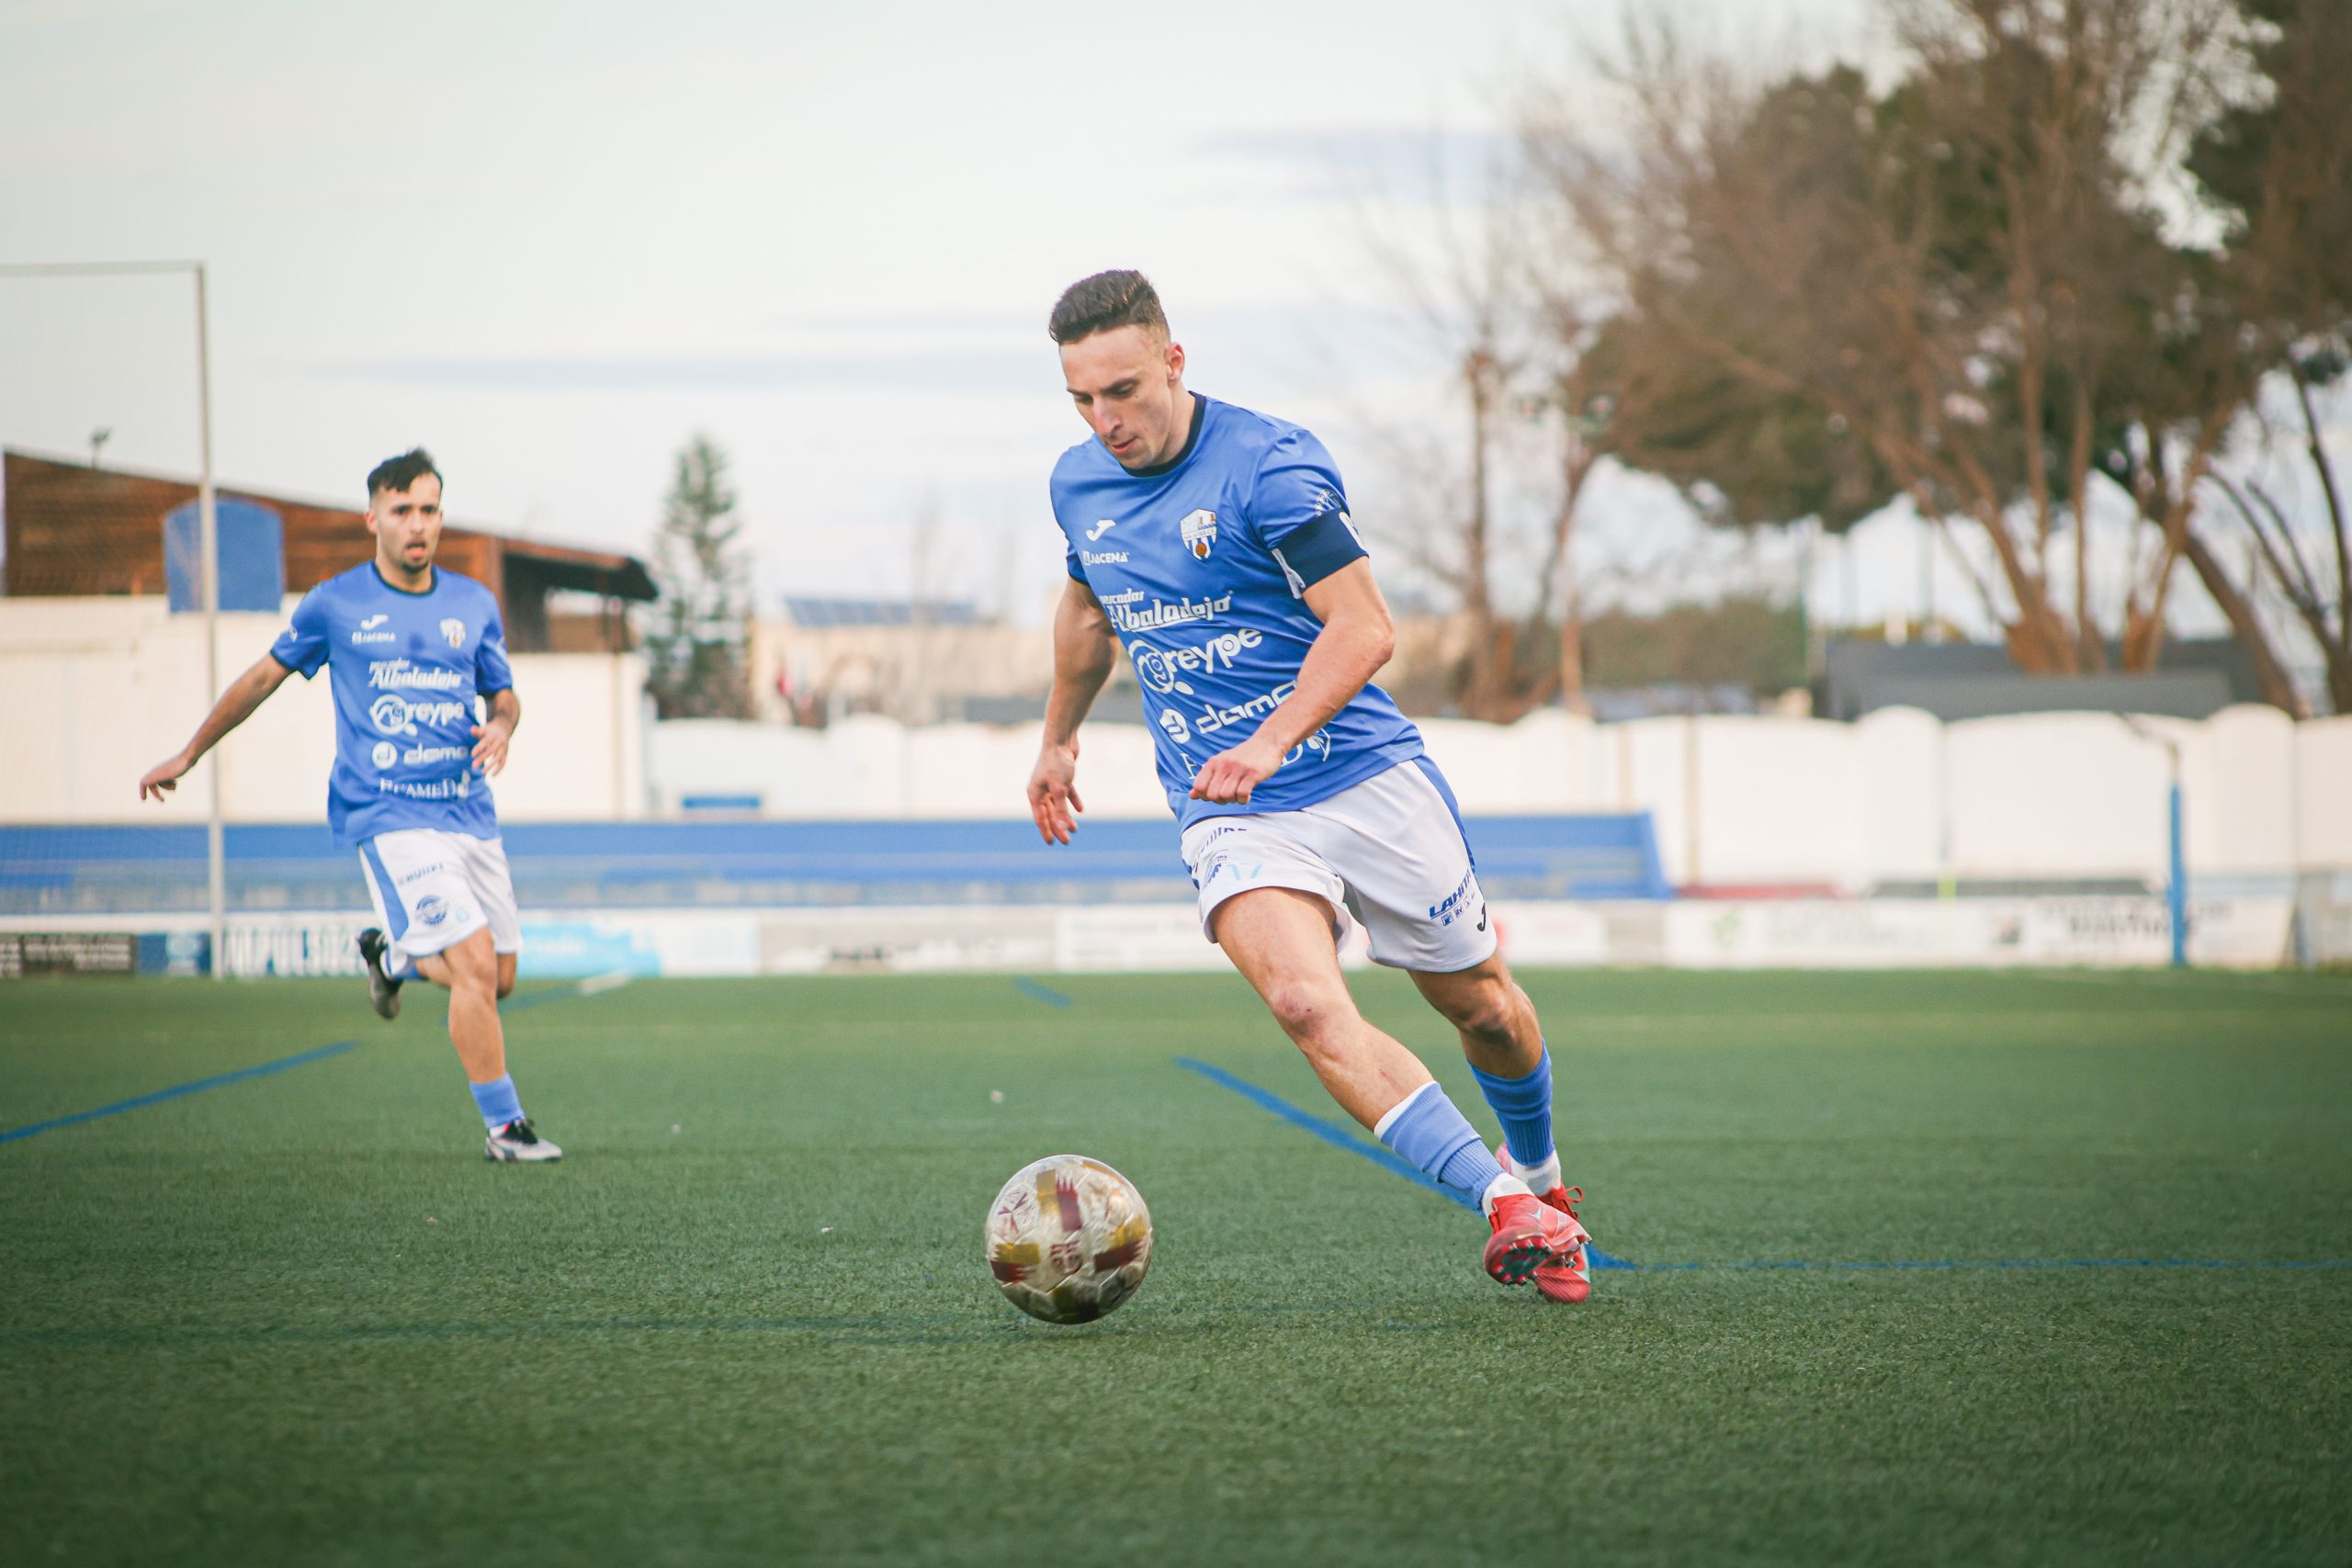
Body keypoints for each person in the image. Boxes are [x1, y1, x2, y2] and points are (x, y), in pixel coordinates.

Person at [1027, 271, 1589, 1301]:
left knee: (1484, 1010)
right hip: (1228, 805)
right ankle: (1508, 1206)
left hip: (1363, 775)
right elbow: (1086, 611)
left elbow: (1365, 627)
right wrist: (1058, 740)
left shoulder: (1268, 464)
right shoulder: (1077, 485)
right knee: (1301, 1000)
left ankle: (1544, 1173)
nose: (1106, 420)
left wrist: (1271, 740)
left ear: (1173, 362)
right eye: (1083, 399)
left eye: (1123, 390)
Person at [138, 448, 560, 1164]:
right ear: (373, 519)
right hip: (387, 812)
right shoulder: (335, 604)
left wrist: (502, 725)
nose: (417, 524)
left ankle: (393, 959)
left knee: (499, 979)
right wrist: (189, 752)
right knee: (475, 966)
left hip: (468, 811)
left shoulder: (473, 603)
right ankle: (505, 1127)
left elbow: (503, 693)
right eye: (402, 511)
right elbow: (261, 678)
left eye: (429, 510)